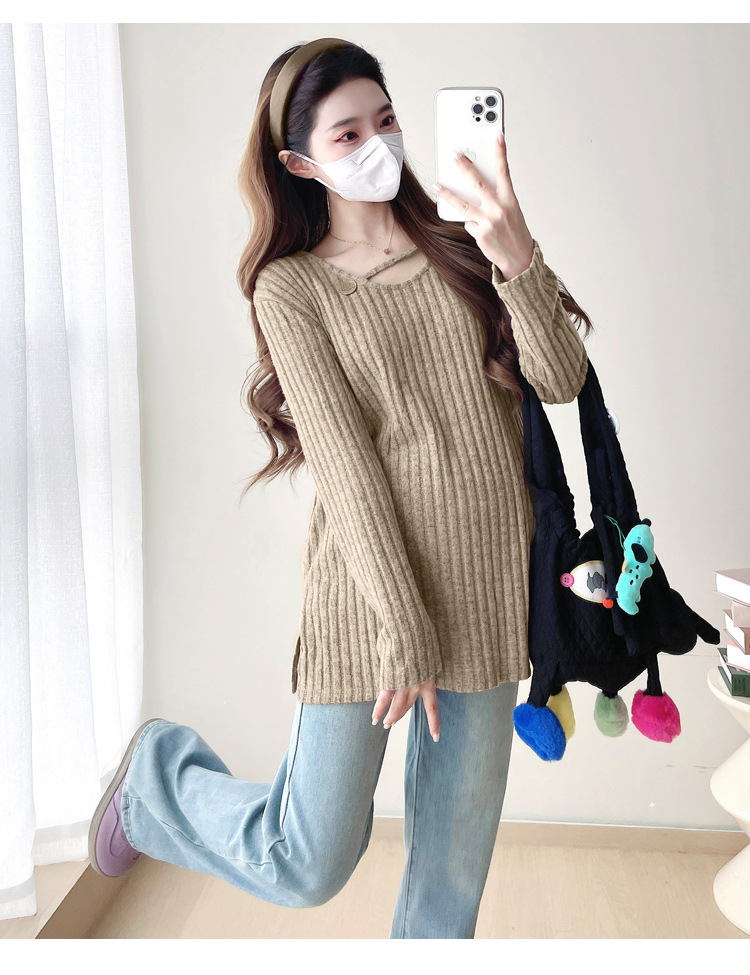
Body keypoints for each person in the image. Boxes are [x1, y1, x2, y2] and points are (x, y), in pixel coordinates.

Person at [88, 36, 594, 939]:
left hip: (487, 591)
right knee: (307, 859)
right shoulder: (291, 290)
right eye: (348, 132)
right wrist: (404, 623)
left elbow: (560, 380)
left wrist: (516, 250)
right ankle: (156, 780)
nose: (377, 142)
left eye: (386, 119)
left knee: (448, 886)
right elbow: (347, 469)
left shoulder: (463, 244)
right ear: (299, 163)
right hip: (369, 601)